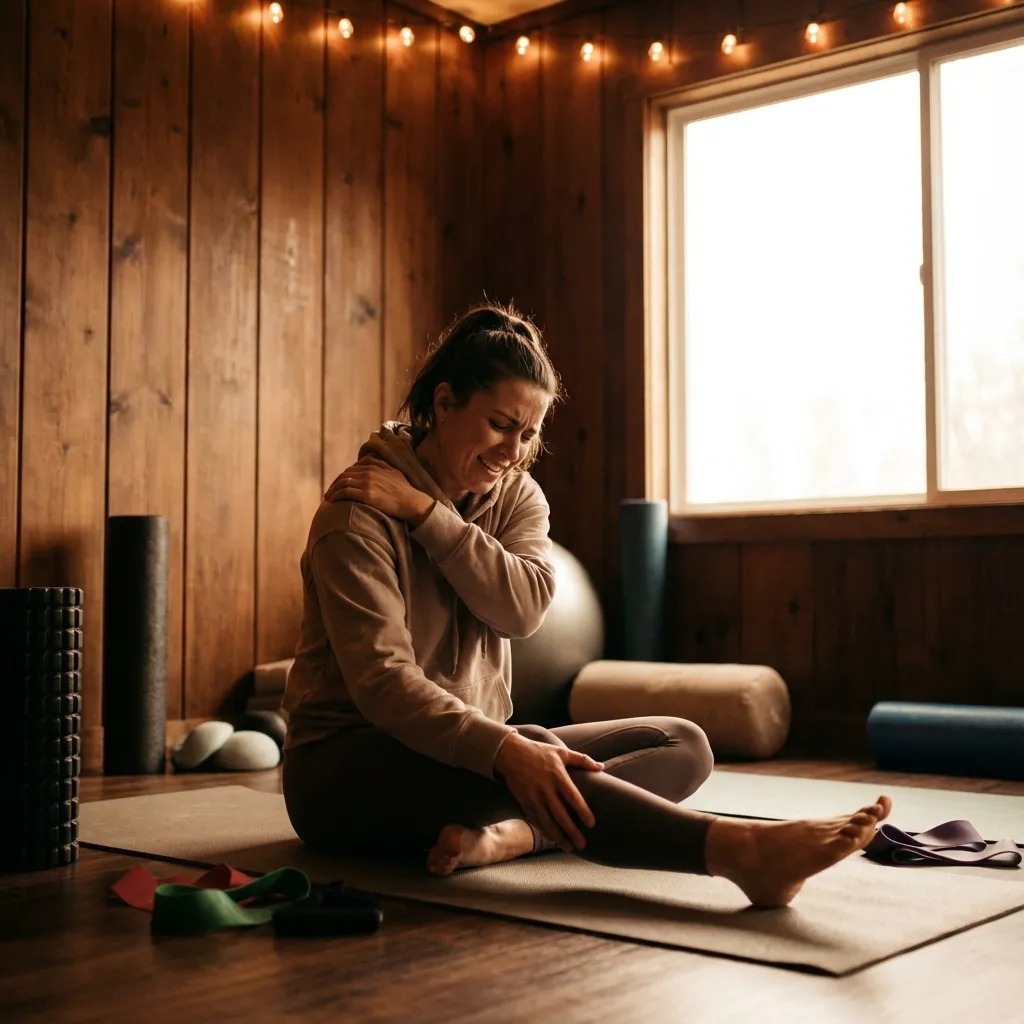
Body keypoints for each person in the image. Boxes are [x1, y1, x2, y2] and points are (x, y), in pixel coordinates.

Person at [281, 301, 892, 908]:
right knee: (543, 762)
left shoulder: (516, 495)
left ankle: (513, 837)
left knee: (681, 744)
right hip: (344, 772)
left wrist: (428, 517)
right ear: (444, 404)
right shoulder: (355, 517)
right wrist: (507, 751)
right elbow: (385, 684)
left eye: (529, 434)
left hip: (465, 749)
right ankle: (743, 852)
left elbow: (521, 610)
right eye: (499, 425)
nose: (514, 450)